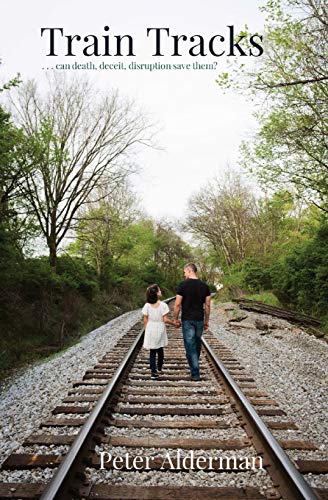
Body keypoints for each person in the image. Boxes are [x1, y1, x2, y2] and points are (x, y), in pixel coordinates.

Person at [174, 263, 211, 381]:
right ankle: (194, 365)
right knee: (196, 343)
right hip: (199, 319)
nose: (184, 274)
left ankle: (195, 372)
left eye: (185, 272)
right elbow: (208, 306)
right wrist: (206, 321)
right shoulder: (205, 286)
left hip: (188, 320)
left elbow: (177, 304)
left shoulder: (183, 285)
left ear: (189, 271)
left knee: (190, 346)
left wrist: (175, 318)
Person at [142, 284, 177, 379]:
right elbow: (165, 320)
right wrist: (174, 324)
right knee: (160, 348)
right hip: (160, 327)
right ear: (157, 293)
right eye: (159, 290)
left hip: (150, 327)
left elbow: (145, 319)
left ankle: (153, 372)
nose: (161, 291)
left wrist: (147, 329)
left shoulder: (147, 306)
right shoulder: (163, 305)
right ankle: (159, 366)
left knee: (152, 351)